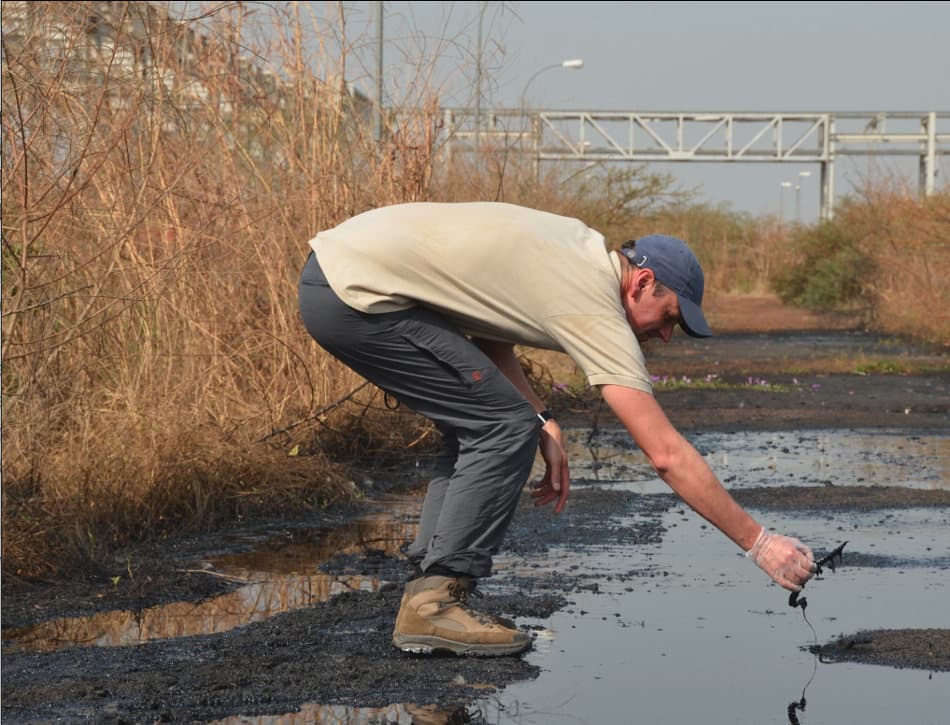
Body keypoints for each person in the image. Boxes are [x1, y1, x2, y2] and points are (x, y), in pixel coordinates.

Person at [297, 201, 816, 657]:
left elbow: (487, 331)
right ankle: (434, 604)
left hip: (344, 278)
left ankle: (431, 586)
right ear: (641, 282)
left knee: (492, 420)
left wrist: (542, 418)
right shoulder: (592, 299)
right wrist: (760, 542)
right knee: (501, 426)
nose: (666, 336)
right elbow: (666, 454)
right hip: (355, 296)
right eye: (670, 318)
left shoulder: (574, 251)